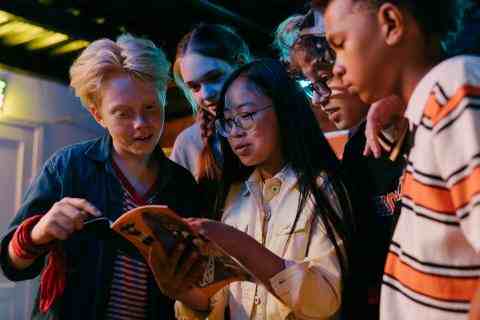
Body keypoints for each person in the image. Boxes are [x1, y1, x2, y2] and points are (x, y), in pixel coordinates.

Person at [0, 34, 203, 319]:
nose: (141, 125)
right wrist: (39, 231)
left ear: (164, 98)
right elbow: (10, 264)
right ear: (98, 115)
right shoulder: (68, 167)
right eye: (122, 114)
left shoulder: (182, 186)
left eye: (151, 108)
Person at [315, 0, 480, 319]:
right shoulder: (430, 108)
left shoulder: (452, 88)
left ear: (391, 23)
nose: (335, 67)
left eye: (340, 44)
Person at [173, 58, 355, 319]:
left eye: (246, 116)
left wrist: (240, 245)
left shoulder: (322, 188)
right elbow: (218, 301)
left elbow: (324, 301)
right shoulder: (235, 197)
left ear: (283, 110)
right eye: (227, 121)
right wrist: (185, 294)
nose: (235, 132)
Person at [290, 9, 406, 318]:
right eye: (310, 87)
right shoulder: (355, 152)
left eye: (325, 79)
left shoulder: (423, 119)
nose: (319, 98)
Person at [170, 24, 252, 187]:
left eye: (214, 77)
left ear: (241, 63)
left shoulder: (279, 120)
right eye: (195, 87)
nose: (206, 94)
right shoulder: (189, 143)